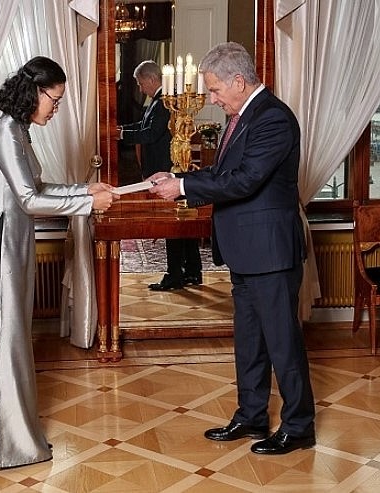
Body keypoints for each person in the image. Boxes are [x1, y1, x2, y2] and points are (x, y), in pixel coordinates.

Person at [148, 42, 316, 455]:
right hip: (246, 251)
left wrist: (183, 188)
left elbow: (245, 181)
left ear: (239, 81)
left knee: (282, 344)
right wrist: (177, 174)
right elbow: (224, 171)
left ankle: (299, 426)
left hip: (271, 253)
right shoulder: (242, 116)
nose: (210, 99)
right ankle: (252, 415)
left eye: (215, 90)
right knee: (249, 341)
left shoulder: (273, 119)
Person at [0, 56, 116, 469]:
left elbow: (37, 187)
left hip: (13, 249)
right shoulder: (5, 132)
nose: (56, 107)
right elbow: (30, 201)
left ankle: (6, 441)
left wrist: (84, 187)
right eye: (56, 98)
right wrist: (88, 203)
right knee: (6, 344)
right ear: (35, 91)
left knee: (12, 343)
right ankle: (6, 446)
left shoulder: (19, 131)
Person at [117, 60, 202, 291]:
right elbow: (144, 126)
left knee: (173, 225)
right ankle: (193, 271)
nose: (139, 87)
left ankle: (175, 275)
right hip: (165, 170)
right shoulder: (157, 102)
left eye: (140, 82)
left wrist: (123, 135)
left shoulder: (166, 103)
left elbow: (151, 134)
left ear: (151, 79)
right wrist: (122, 131)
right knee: (182, 224)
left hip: (167, 172)